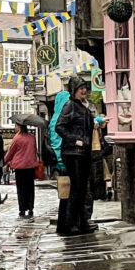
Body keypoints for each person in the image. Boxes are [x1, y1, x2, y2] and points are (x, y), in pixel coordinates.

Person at [56, 78, 96, 236]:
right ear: (73, 90)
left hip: (84, 153)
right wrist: (74, 140)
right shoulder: (70, 106)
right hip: (73, 153)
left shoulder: (83, 107)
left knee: (83, 189)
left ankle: (82, 222)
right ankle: (71, 224)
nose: (84, 91)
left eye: (85, 88)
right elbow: (59, 126)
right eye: (80, 89)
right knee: (76, 189)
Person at [49, 76, 81, 235]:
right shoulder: (61, 118)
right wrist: (62, 160)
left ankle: (64, 224)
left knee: (65, 194)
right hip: (65, 160)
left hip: (62, 160)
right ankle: (66, 225)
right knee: (68, 194)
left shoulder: (55, 117)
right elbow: (57, 142)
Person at [4, 122, 38, 218]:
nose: (14, 128)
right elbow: (34, 151)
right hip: (30, 166)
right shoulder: (32, 138)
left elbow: (11, 152)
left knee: (21, 188)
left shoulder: (17, 138)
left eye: (15, 126)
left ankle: (22, 208)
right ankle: (30, 207)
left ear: (19, 127)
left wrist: (5, 161)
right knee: (30, 188)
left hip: (20, 167)